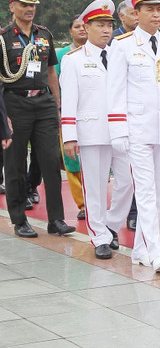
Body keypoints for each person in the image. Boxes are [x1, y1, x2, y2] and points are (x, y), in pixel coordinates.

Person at [107, 0, 160, 273]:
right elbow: (114, 91)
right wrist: (117, 129)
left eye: (159, 9)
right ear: (136, 12)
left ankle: (140, 248)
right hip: (137, 128)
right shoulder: (123, 45)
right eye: (149, 9)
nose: (156, 15)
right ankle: (156, 248)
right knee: (144, 189)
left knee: (156, 188)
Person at [1, 0, 75, 238]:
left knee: (51, 162)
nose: (30, 9)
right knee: (15, 164)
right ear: (12, 7)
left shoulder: (44, 35)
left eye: (33, 4)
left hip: (43, 103)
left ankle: (56, 219)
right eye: (23, 4)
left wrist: (57, 106)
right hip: (15, 103)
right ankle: (19, 218)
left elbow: (51, 71)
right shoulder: (3, 38)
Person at [60, 0, 127, 259]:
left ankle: (111, 224)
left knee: (129, 181)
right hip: (90, 131)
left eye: (109, 25)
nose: (106, 30)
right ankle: (99, 235)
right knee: (95, 186)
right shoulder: (74, 60)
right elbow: (69, 101)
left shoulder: (119, 55)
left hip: (120, 130)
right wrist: (69, 137)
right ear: (86, 28)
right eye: (100, 25)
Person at [56, 15, 87, 219]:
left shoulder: (101, 53)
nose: (82, 30)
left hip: (91, 114)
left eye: (85, 26)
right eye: (77, 27)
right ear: (70, 31)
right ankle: (83, 203)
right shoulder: (62, 55)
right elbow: (56, 83)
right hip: (69, 113)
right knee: (72, 159)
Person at [112, 0, 139, 230]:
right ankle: (123, 214)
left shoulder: (148, 41)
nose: (137, 17)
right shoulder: (114, 42)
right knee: (125, 173)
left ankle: (138, 213)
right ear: (122, 16)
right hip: (121, 115)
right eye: (134, 13)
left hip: (142, 115)